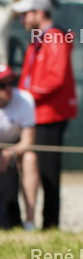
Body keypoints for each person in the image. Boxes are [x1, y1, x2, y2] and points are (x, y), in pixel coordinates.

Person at [12, 0, 76, 229]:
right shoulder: (39, 39)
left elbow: (54, 79)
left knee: (48, 171)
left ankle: (50, 224)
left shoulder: (54, 38)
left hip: (49, 115)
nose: (22, 20)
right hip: (37, 113)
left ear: (38, 13)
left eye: (25, 14)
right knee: (31, 166)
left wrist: (25, 96)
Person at [0, 63, 37, 229]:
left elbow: (28, 140)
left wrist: (9, 154)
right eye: (2, 85)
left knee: (30, 158)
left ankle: (30, 222)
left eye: (10, 83)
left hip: (14, 149)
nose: (7, 89)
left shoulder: (25, 99)